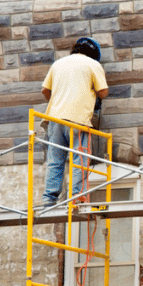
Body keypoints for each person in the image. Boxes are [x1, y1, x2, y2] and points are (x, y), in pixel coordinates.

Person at [41, 37, 109, 207]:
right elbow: (103, 92)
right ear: (94, 54)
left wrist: (59, 102)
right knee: (79, 160)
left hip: (55, 119)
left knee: (55, 161)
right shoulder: (93, 64)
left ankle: (49, 199)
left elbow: (45, 90)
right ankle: (76, 197)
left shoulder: (58, 64)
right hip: (78, 120)